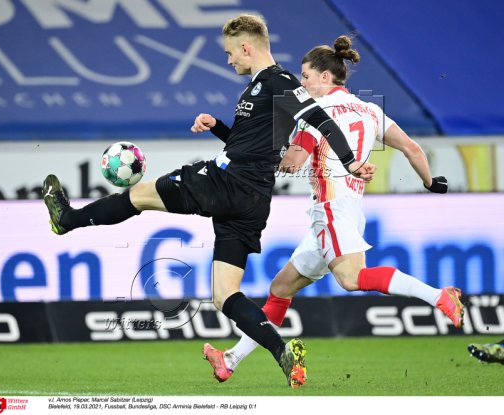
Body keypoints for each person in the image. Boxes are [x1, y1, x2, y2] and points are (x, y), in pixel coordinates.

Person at [42, 15, 375, 388]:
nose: (229, 60)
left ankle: (67, 219)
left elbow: (322, 120)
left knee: (139, 195)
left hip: (226, 182)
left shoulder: (279, 82)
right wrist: (217, 126)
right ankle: (282, 352)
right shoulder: (261, 88)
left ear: (246, 47)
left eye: (230, 53)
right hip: (251, 199)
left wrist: (351, 163)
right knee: (224, 294)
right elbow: (248, 146)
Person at [202, 35, 465, 383]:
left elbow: (291, 163)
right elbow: (412, 148)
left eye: (306, 76)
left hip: (331, 209)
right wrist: (431, 183)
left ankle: (438, 296)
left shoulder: (315, 114)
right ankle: (231, 359)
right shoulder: (370, 111)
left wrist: (228, 136)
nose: (301, 83)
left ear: (325, 77)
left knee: (352, 279)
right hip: (348, 209)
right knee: (281, 288)